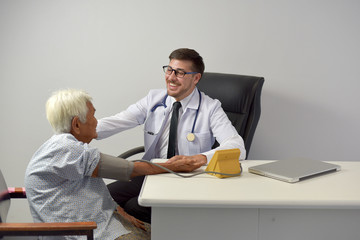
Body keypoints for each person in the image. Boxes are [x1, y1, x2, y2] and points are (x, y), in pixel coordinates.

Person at [25, 89, 202, 240]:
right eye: (93, 115)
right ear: (77, 124)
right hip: (85, 232)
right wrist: (173, 166)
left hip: (95, 222)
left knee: (161, 233)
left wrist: (117, 210)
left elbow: (85, 187)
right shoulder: (67, 148)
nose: (96, 121)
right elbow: (127, 169)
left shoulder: (61, 145)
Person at [96, 48, 246, 223]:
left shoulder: (210, 108)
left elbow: (237, 146)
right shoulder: (154, 99)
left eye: (180, 73)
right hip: (152, 172)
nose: (171, 77)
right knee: (101, 198)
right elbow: (119, 120)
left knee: (133, 206)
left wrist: (200, 158)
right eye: (169, 70)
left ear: (196, 78)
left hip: (188, 178)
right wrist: (83, 131)